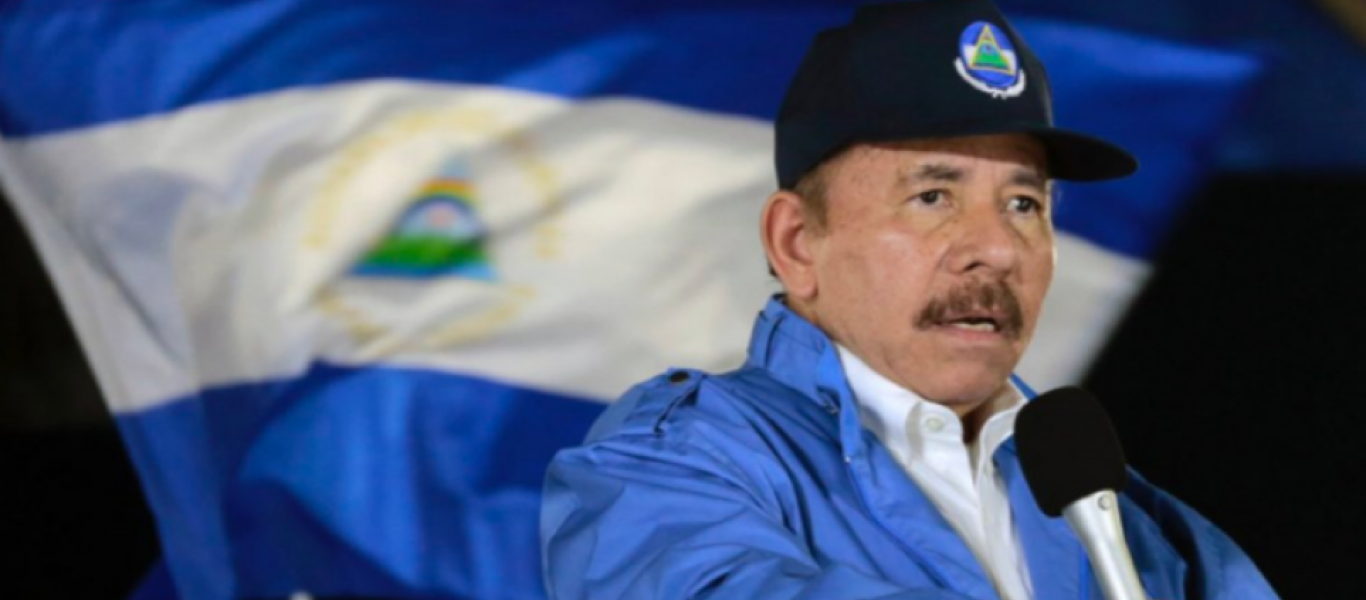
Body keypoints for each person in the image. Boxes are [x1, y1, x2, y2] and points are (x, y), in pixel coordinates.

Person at [539, 1, 1280, 599]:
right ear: (797, 242)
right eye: (933, 196)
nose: (997, 248)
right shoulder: (672, 461)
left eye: (1024, 204)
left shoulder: (1124, 519)